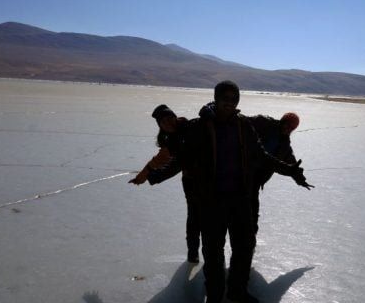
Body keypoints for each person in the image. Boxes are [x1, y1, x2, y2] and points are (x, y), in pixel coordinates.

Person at [180, 80, 311, 303]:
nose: (230, 103)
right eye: (225, 98)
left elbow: (264, 156)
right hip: (212, 199)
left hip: (242, 194)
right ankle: (214, 295)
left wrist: (292, 172)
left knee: (245, 244)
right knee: (213, 251)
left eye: (234, 99)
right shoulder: (205, 126)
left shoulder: (256, 132)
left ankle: (236, 291)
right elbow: (180, 159)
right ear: (216, 98)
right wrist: (153, 174)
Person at [128, 104, 201, 264]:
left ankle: (212, 255)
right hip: (191, 182)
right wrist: (143, 175)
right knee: (194, 217)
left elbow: (176, 164)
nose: (168, 122)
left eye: (169, 118)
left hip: (210, 180)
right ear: (160, 126)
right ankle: (193, 253)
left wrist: (150, 176)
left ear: (175, 117)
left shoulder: (192, 127)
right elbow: (159, 160)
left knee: (210, 218)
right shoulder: (171, 141)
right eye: (163, 122)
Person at [247, 112, 302, 235]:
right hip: (241, 173)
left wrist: (299, 177)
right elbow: (241, 122)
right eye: (287, 125)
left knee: (252, 215)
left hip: (256, 180)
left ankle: (250, 242)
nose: (287, 129)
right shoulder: (263, 122)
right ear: (282, 121)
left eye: (291, 128)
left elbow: (290, 162)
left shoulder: (284, 144)